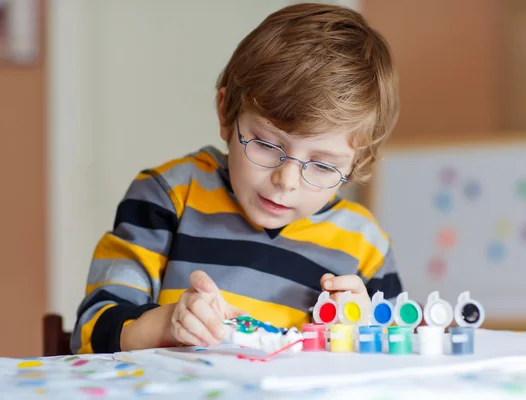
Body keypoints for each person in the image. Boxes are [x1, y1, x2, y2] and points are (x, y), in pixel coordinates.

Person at [71, 2, 402, 354]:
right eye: (264, 143)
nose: (287, 180)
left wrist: (365, 334)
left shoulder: (366, 246)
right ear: (226, 114)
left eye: (322, 165)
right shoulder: (167, 197)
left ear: (357, 163)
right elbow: (92, 331)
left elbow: (402, 359)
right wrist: (166, 326)